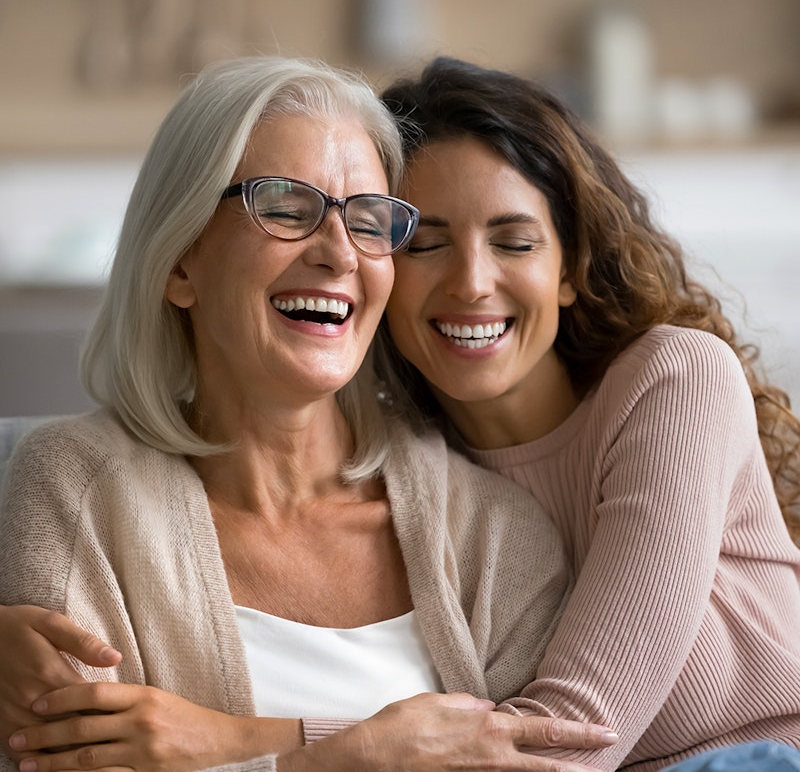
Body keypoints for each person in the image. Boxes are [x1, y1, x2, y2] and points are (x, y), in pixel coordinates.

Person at [0, 55, 618, 772]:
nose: (338, 254)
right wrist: (351, 755)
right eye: (286, 209)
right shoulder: (76, 489)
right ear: (179, 261)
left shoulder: (492, 532)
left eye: (370, 221)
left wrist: (236, 749)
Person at [368, 56, 800, 771]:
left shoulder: (674, 381)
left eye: (514, 242)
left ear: (568, 271)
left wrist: (247, 749)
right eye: (427, 244)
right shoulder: (397, 467)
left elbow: (574, 740)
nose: (472, 283)